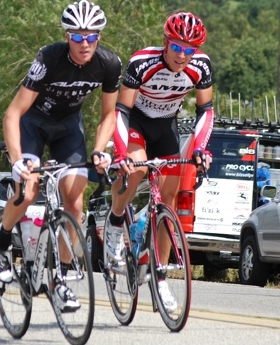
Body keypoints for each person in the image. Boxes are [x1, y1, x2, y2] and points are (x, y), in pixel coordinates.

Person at [0, 0, 122, 312]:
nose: (84, 43)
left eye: (91, 36)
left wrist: (100, 149)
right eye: (77, 37)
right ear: (67, 36)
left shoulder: (109, 64)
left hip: (67, 129)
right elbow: (12, 114)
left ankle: (59, 280)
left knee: (74, 203)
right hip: (32, 124)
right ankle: (2, 240)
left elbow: (109, 116)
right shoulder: (49, 58)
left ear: (99, 37)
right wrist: (18, 158)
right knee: (28, 190)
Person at [107, 12, 214, 312]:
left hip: (166, 125)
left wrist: (201, 148)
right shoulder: (142, 62)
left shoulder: (201, 66)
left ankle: (160, 277)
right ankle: (116, 221)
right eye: (177, 47)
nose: (183, 55)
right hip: (137, 122)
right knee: (139, 167)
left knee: (168, 199)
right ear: (166, 42)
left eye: (189, 49)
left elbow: (206, 111)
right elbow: (121, 112)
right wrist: (120, 152)